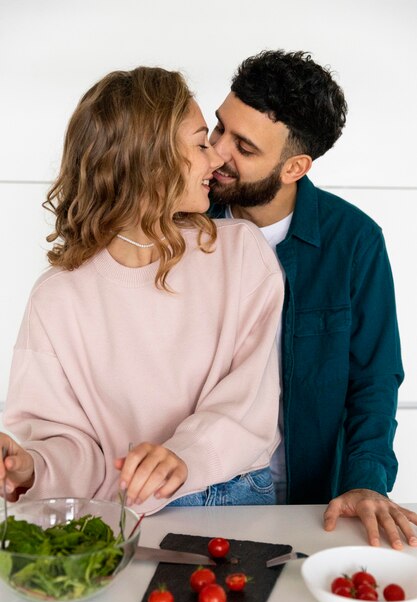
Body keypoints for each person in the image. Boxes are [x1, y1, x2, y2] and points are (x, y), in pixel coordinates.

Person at [0, 66, 284, 514]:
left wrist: (184, 457)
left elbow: (248, 403)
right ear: (150, 162)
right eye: (199, 143)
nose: (215, 159)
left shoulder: (241, 255)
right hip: (123, 509)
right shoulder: (57, 298)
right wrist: (30, 467)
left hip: (235, 495)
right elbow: (68, 446)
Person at [208, 49, 417, 549]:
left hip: (311, 505)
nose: (216, 153)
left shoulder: (355, 241)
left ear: (294, 167)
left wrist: (365, 480)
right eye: (218, 129)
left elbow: (373, 377)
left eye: (244, 147)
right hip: (202, 496)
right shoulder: (183, 226)